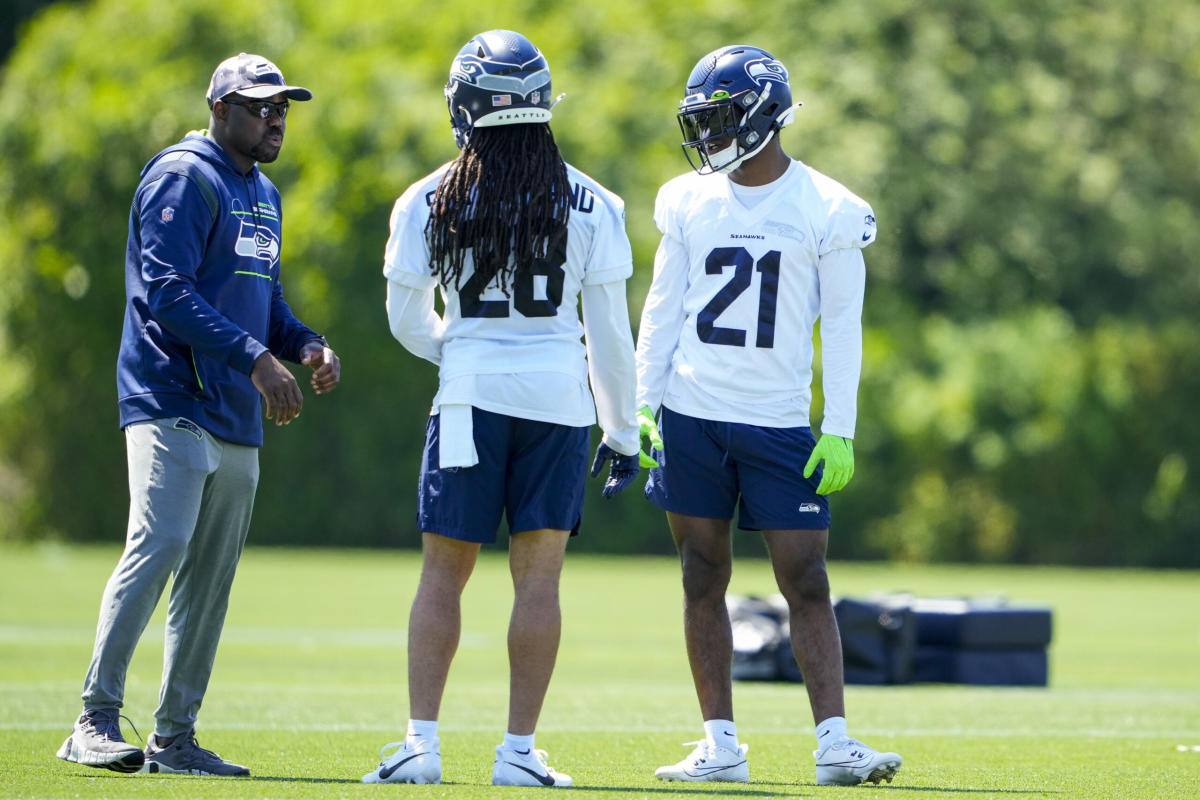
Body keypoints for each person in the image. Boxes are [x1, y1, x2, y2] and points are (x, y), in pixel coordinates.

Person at [360, 30, 648, 788]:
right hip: (559, 402)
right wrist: (622, 430)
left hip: (469, 399)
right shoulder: (597, 200)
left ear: (466, 106)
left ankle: (421, 745)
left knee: (441, 576)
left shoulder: (429, 196)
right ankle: (518, 754)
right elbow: (610, 337)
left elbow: (404, 318)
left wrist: (461, 354)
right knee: (541, 582)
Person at [56, 53, 340, 778]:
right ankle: (92, 719)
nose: (275, 118)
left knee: (210, 578)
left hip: (235, 412)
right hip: (172, 396)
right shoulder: (185, 175)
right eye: (259, 106)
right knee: (161, 544)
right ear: (219, 109)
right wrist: (255, 358)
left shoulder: (264, 192)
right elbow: (168, 293)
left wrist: (304, 344)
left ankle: (174, 739)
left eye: (282, 107)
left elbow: (262, 300)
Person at [635, 45, 902, 787]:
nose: (710, 134)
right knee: (700, 574)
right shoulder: (688, 199)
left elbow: (843, 327)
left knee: (806, 578)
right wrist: (640, 405)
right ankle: (719, 745)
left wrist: (840, 425)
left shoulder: (829, 208)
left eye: (720, 118)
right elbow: (661, 311)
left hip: (779, 420)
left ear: (762, 115)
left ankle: (835, 743)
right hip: (692, 412)